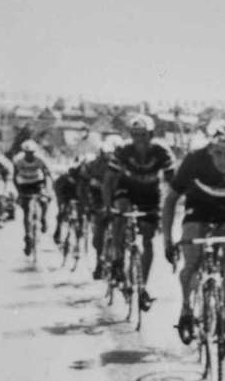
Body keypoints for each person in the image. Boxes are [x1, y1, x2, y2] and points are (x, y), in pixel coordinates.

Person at [162, 119, 225, 349]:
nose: (224, 159)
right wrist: (168, 239)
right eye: (218, 153)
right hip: (199, 207)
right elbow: (171, 199)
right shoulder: (195, 159)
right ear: (209, 149)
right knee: (192, 258)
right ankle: (186, 308)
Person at [103, 114, 175, 311]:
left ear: (151, 135)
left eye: (143, 135)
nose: (139, 140)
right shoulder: (124, 150)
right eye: (135, 135)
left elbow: (173, 182)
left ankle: (142, 286)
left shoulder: (161, 151)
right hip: (127, 190)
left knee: (148, 238)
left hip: (151, 194)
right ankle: (117, 259)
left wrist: (170, 205)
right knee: (121, 212)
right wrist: (109, 207)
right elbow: (108, 181)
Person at [85, 136, 119, 279]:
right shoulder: (95, 165)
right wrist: (93, 206)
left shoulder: (124, 163)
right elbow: (91, 187)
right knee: (98, 235)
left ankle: (120, 263)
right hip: (100, 200)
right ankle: (100, 262)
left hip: (118, 199)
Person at [12, 140, 53, 255]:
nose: (30, 155)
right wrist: (19, 192)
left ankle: (43, 218)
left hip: (37, 182)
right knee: (27, 211)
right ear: (24, 152)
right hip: (24, 184)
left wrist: (48, 190)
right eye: (27, 153)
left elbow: (48, 175)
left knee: (45, 201)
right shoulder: (18, 160)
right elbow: (14, 177)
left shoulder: (40, 159)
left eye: (32, 153)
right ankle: (28, 236)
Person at [52, 158, 90, 245]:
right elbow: (59, 188)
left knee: (81, 212)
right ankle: (58, 231)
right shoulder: (69, 175)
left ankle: (79, 229)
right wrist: (61, 201)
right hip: (66, 192)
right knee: (62, 211)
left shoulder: (87, 178)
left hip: (78, 195)